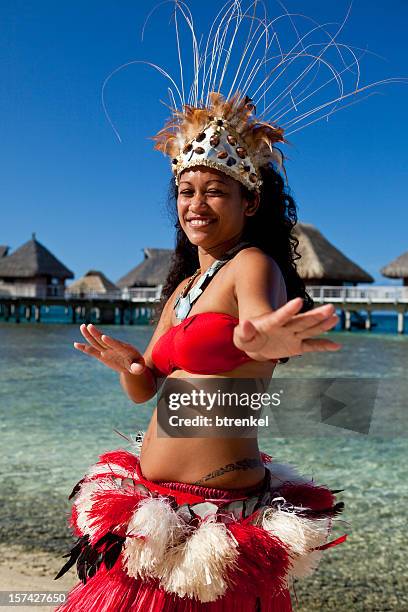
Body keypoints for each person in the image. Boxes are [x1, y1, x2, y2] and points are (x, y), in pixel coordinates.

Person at [54, 89, 347, 611]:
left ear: (249, 202)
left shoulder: (251, 264)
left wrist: (260, 340)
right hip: (153, 507)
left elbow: (257, 324)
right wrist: (131, 367)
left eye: (215, 191)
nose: (196, 204)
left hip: (220, 513)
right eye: (186, 191)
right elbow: (145, 391)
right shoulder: (183, 288)